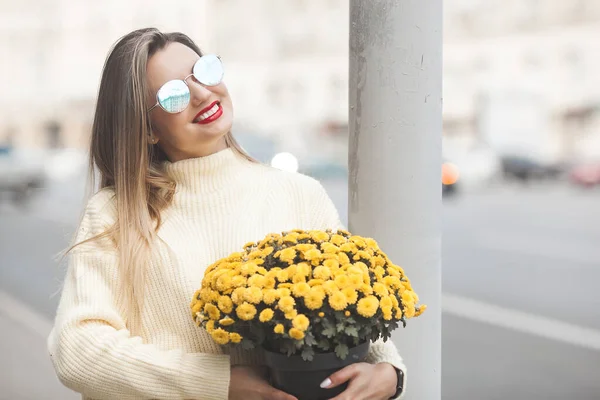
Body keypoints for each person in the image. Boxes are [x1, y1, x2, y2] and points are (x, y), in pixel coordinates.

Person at [48, 27, 406, 400]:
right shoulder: (115, 214)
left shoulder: (299, 194)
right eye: (174, 95)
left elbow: (359, 311)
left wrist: (390, 373)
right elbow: (77, 350)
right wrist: (217, 384)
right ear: (148, 128)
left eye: (203, 72)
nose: (203, 94)